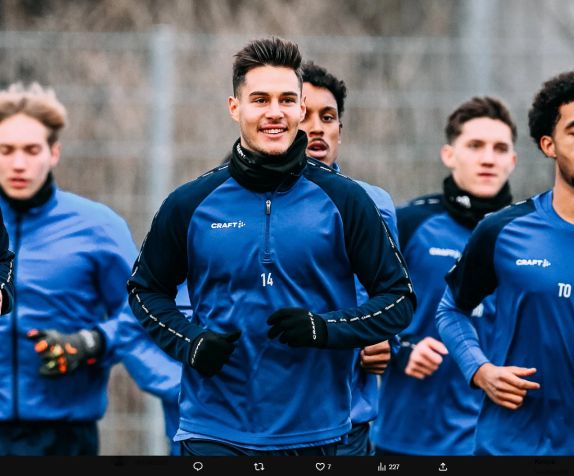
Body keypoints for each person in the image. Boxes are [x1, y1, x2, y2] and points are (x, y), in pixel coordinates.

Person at [127, 37, 415, 456]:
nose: (274, 112)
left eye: (286, 100)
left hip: (317, 434)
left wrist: (327, 328)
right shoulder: (190, 202)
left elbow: (399, 299)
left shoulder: (347, 200)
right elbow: (144, 289)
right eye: (259, 100)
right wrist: (188, 341)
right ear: (235, 107)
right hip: (212, 431)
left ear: (301, 109)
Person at [435, 70, 574, 455]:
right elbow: (450, 309)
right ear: (548, 144)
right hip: (506, 448)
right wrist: (480, 369)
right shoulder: (500, 230)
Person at [0, 81, 179, 455]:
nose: (18, 163)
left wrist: (89, 343)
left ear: (54, 153)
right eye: (6, 150)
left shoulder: (97, 226)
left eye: (31, 150)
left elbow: (142, 310)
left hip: (64, 436)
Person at [373, 97, 518, 456]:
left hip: (497, 441)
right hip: (407, 439)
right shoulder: (408, 224)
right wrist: (402, 349)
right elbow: (363, 307)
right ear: (449, 154)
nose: (488, 158)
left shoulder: (530, 235)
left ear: (513, 161)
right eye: (475, 146)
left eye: (500, 148)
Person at [297, 61, 397, 456]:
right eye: (305, 115)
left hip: (349, 423)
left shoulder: (374, 205)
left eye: (329, 117)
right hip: (263, 425)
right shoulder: (240, 204)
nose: (317, 128)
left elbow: (390, 299)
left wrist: (386, 339)